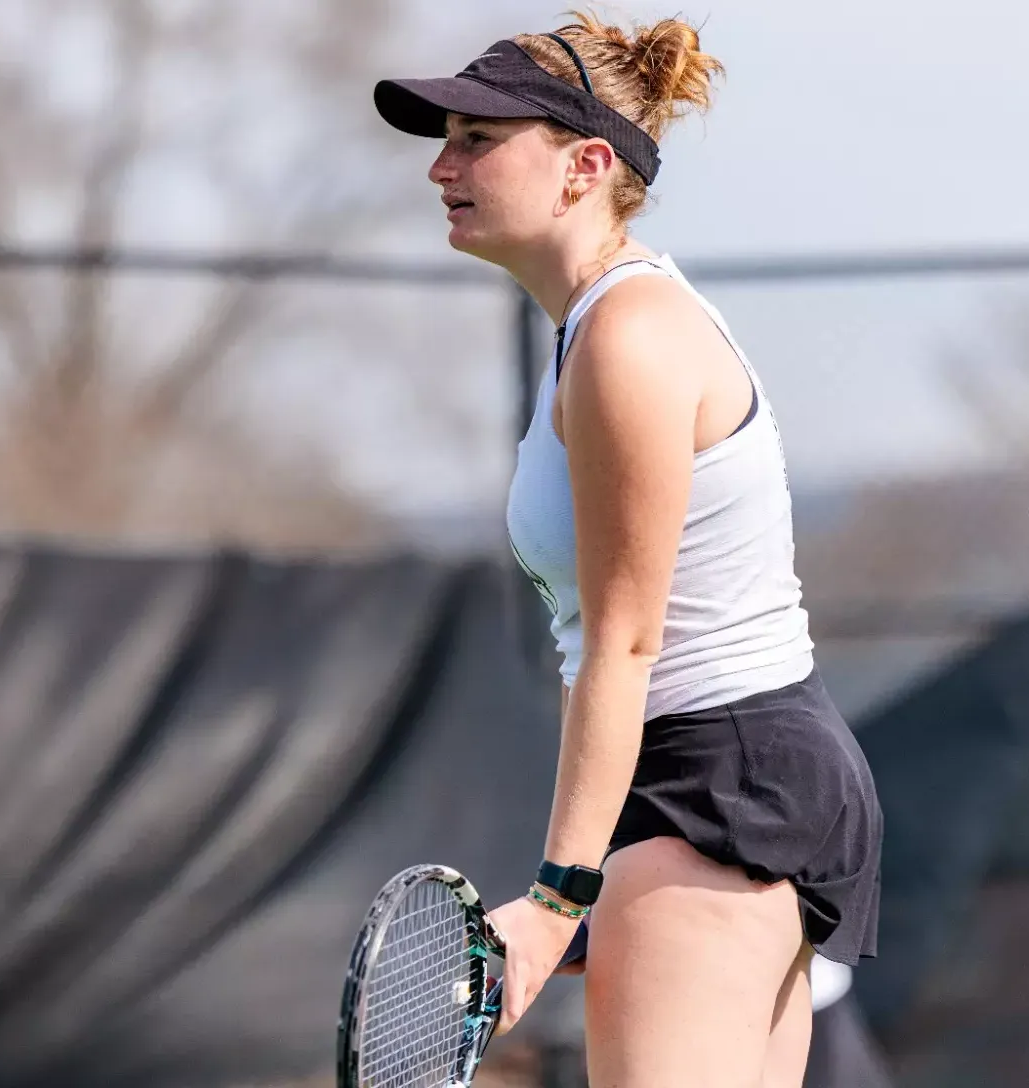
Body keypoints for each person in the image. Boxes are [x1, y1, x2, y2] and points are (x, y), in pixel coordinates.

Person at [373, 12, 882, 1087]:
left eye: (476, 139)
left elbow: (626, 640)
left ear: (583, 167)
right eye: (446, 138)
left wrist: (559, 899)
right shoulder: (592, 330)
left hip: (724, 781)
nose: (440, 165)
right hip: (726, 777)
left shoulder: (629, 340)